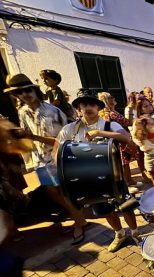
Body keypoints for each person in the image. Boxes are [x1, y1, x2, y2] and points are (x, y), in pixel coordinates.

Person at [4, 73, 88, 244]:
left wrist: (33, 137)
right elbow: (28, 139)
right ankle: (77, 217)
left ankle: (79, 221)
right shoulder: (22, 113)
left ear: (34, 90)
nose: (25, 95)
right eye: (19, 92)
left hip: (58, 157)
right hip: (39, 160)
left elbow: (63, 141)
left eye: (27, 90)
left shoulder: (52, 111)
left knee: (63, 192)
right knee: (52, 192)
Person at [57, 89, 140, 252]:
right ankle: (120, 233)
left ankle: (136, 233)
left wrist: (99, 133)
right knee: (105, 210)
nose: (88, 108)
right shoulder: (69, 130)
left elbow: (128, 140)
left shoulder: (110, 124)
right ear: (78, 109)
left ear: (98, 107)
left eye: (91, 104)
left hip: (115, 176)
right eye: (84, 104)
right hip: (88, 180)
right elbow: (59, 151)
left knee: (126, 206)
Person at [132, 98, 154, 185]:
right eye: (145, 106)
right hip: (150, 156)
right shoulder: (138, 122)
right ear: (140, 109)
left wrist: (153, 123)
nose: (150, 107)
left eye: (150, 104)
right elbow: (137, 140)